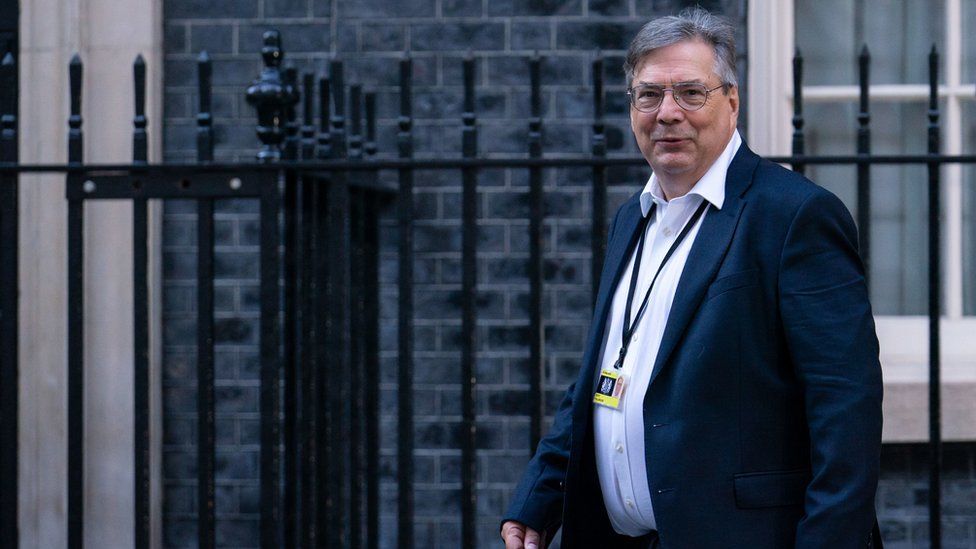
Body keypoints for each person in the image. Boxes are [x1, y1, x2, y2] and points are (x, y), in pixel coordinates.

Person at [501, 8, 883, 549]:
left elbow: (846, 410)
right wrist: (540, 495)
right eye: (649, 95)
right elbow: (607, 373)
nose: (667, 113)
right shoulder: (632, 218)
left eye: (690, 92)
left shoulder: (793, 215)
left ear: (731, 100)